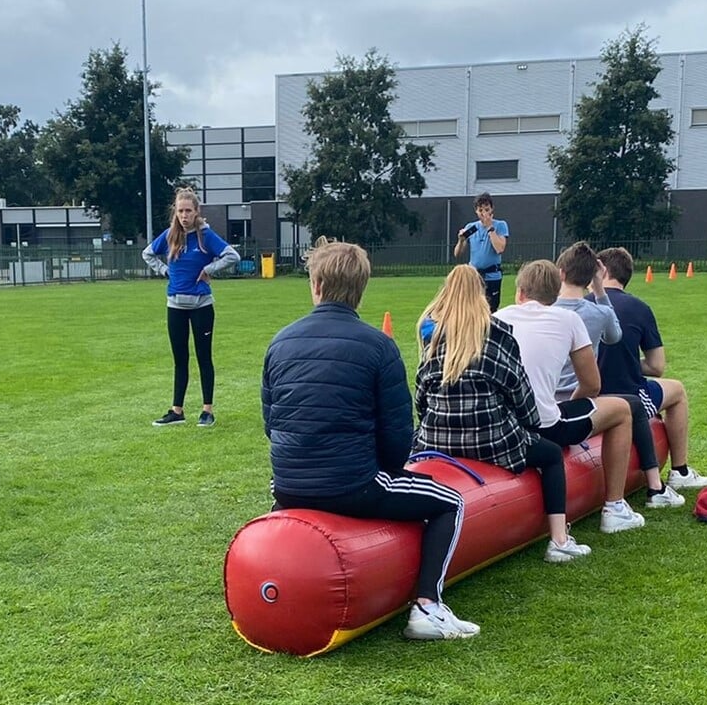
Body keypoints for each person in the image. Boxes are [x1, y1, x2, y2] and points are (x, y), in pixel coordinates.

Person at [262, 242, 478, 641]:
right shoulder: (379, 346)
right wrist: (388, 475)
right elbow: (397, 435)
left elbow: (271, 423)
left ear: (317, 285)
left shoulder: (281, 341)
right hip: (353, 485)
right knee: (452, 501)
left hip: (288, 486)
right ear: (361, 289)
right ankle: (427, 606)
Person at [415, 265, 592, 557]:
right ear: (483, 297)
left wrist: (429, 426)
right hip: (490, 441)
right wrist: (529, 425)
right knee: (549, 455)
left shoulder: (433, 338)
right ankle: (559, 540)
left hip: (437, 439)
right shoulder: (498, 334)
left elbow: (421, 394)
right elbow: (519, 392)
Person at [494, 259, 640, 518]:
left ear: (520, 293)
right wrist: (566, 405)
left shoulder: (496, 317)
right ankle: (615, 506)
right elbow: (593, 385)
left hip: (500, 423)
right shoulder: (569, 319)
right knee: (622, 409)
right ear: (555, 294)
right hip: (543, 425)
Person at [555, 242, 669, 519]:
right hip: (577, 401)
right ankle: (624, 499)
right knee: (629, 406)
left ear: (560, 273)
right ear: (592, 276)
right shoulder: (598, 312)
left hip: (544, 399)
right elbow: (614, 336)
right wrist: (599, 289)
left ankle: (651, 487)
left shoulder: (545, 310)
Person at [595, 247, 707, 499]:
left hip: (586, 396)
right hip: (626, 393)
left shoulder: (578, 306)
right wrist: (627, 362)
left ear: (601, 271)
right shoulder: (639, 308)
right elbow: (657, 366)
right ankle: (679, 471)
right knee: (677, 390)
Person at [144, 188, 239, 427]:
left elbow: (232, 255)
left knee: (204, 357)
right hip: (175, 304)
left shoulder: (205, 236)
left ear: (197, 212)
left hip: (201, 305)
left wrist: (209, 270)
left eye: (188, 211)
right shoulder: (169, 236)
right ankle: (177, 410)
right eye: (180, 211)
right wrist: (164, 271)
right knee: (180, 358)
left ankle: (207, 410)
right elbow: (147, 253)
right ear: (175, 212)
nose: (184, 215)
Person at [453, 192, 509, 310]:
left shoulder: (500, 225)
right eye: (480, 210)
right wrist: (461, 240)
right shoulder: (472, 227)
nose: (484, 213)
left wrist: (490, 228)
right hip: (474, 276)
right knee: (471, 308)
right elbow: (457, 254)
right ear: (476, 211)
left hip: (492, 276)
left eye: (487, 209)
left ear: (492, 209)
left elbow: (500, 248)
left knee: (491, 309)